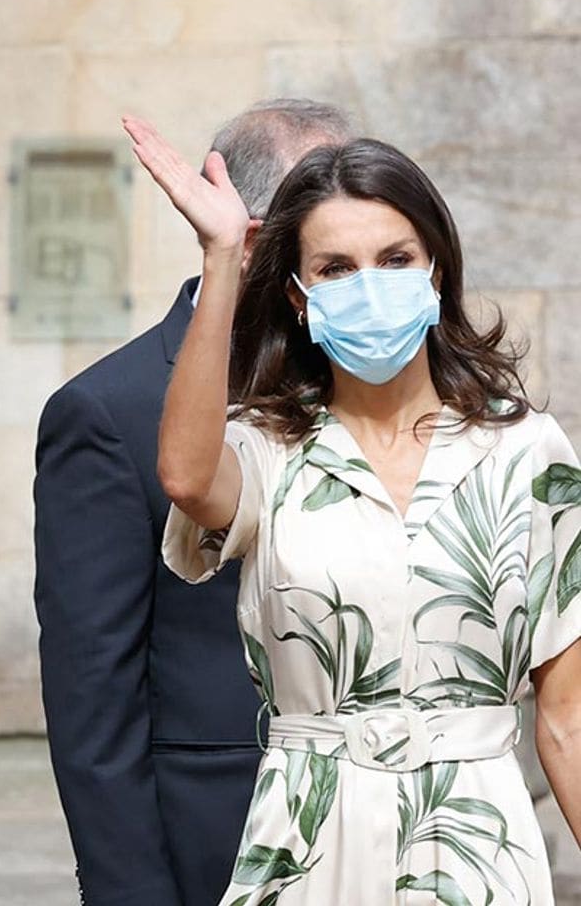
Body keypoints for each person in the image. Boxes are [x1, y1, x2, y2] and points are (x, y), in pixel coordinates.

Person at [123, 116, 581, 904]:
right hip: (309, 838)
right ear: (298, 297)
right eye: (335, 268)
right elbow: (188, 480)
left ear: (436, 272)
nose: (369, 283)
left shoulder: (528, 452)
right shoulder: (268, 447)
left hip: (476, 841)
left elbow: (569, 718)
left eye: (395, 259)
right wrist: (221, 261)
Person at [34, 100, 352, 906]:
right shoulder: (110, 412)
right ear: (252, 239)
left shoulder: (368, 391)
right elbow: (92, 707)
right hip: (216, 844)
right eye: (333, 246)